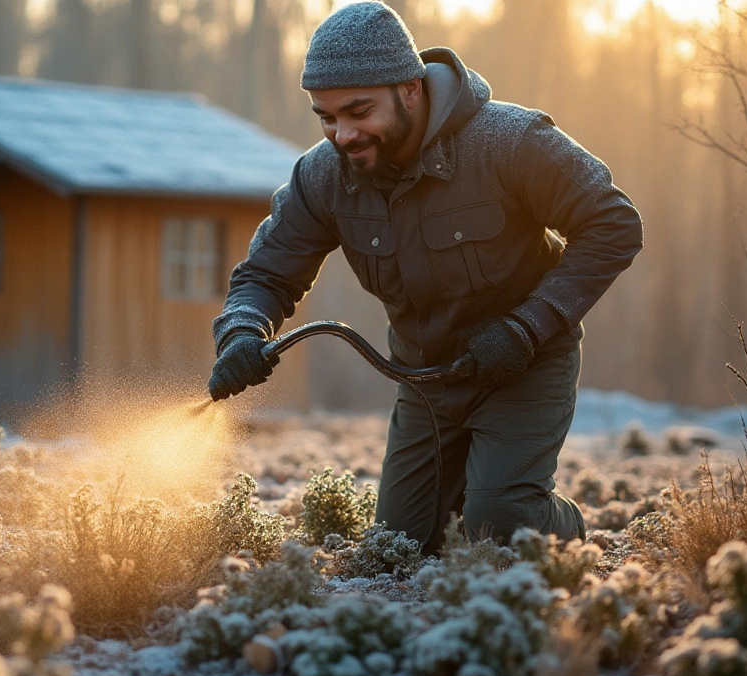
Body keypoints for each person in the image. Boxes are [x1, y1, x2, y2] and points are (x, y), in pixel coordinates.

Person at [207, 1, 643, 553]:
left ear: (411, 88)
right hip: (425, 380)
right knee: (400, 546)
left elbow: (614, 223)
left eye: (359, 111)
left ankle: (557, 524)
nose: (342, 133)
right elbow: (265, 272)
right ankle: (475, 497)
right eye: (326, 116)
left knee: (499, 530)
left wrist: (527, 328)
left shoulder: (509, 142)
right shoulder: (322, 175)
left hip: (525, 365)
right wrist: (242, 332)